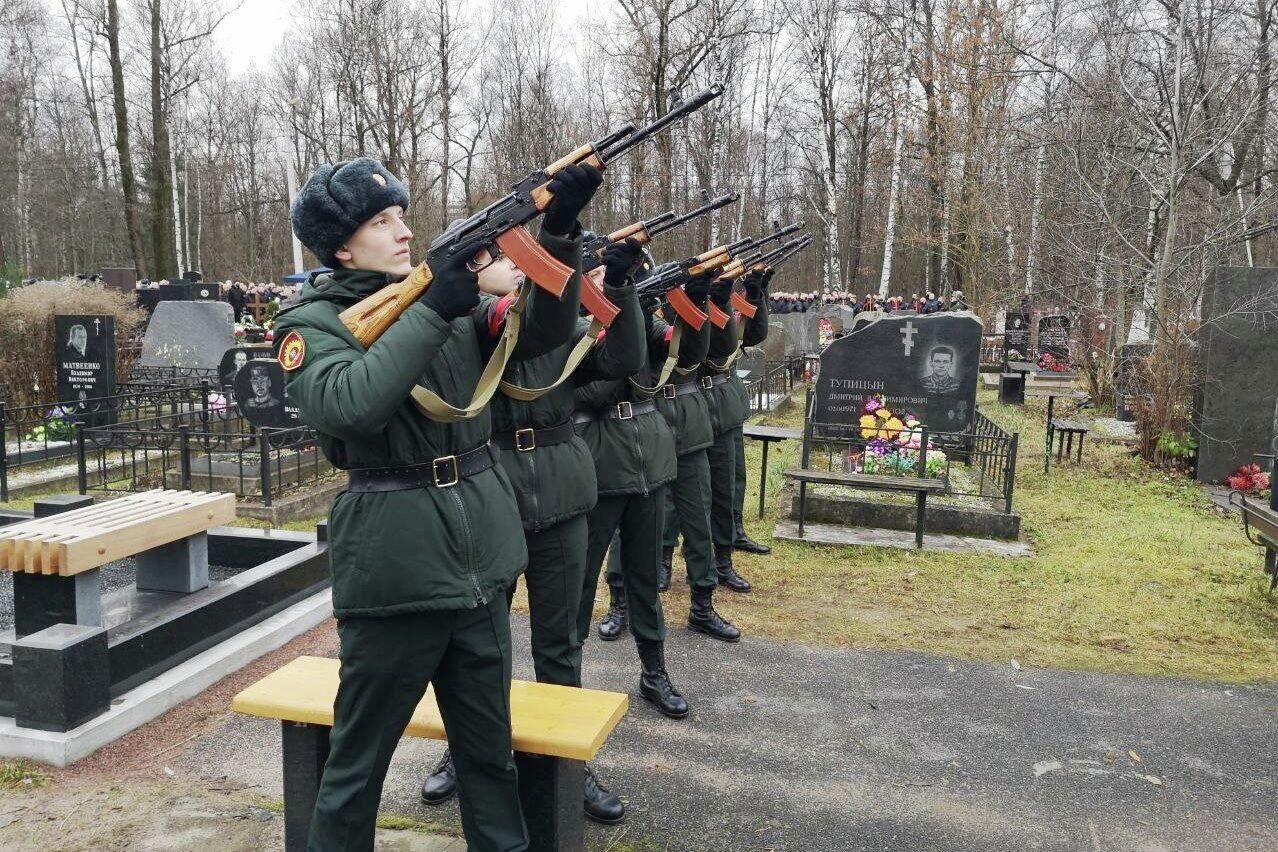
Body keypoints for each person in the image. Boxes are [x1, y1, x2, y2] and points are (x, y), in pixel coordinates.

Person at [275, 156, 601, 852]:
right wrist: (433, 305)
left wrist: (560, 233)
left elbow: (542, 336)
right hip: (396, 575)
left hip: (481, 562)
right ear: (340, 246)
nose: (402, 230)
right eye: (380, 221)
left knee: (489, 759)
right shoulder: (312, 325)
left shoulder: (437, 297)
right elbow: (350, 405)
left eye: (400, 215)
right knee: (357, 769)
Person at [420, 236, 645, 825]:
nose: (518, 269)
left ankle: (566, 760)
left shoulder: (555, 324)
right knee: (475, 647)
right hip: (490, 494)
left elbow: (623, 361)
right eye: (503, 259)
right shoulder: (456, 327)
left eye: (524, 261)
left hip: (562, 492)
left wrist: (619, 288)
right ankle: (466, 748)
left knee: (560, 641)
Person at [657, 272, 742, 643]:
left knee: (698, 518)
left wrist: (713, 303)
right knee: (638, 522)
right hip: (651, 420)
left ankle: (703, 604)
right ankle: (622, 600)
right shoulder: (636, 317)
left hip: (690, 422)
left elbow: (714, 349)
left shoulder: (685, 311)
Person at [701, 268, 772, 592]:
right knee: (686, 495)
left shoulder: (722, 301)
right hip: (696, 404)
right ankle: (664, 558)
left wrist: (756, 295)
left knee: (731, 483)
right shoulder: (682, 301)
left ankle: (727, 551)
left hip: (725, 403)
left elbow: (751, 335)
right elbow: (710, 345)